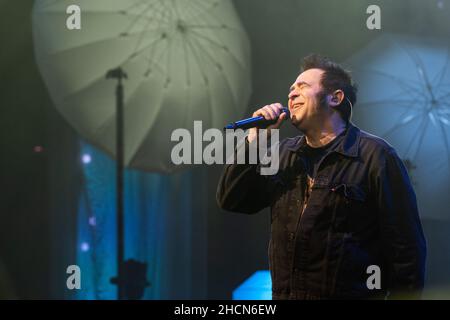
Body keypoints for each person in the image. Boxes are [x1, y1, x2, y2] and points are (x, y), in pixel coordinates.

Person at [216, 54, 426, 300]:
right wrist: (256, 139)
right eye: (291, 90)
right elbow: (232, 200)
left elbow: (406, 251)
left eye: (302, 87)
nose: (291, 94)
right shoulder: (283, 155)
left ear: (335, 97)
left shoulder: (375, 156)